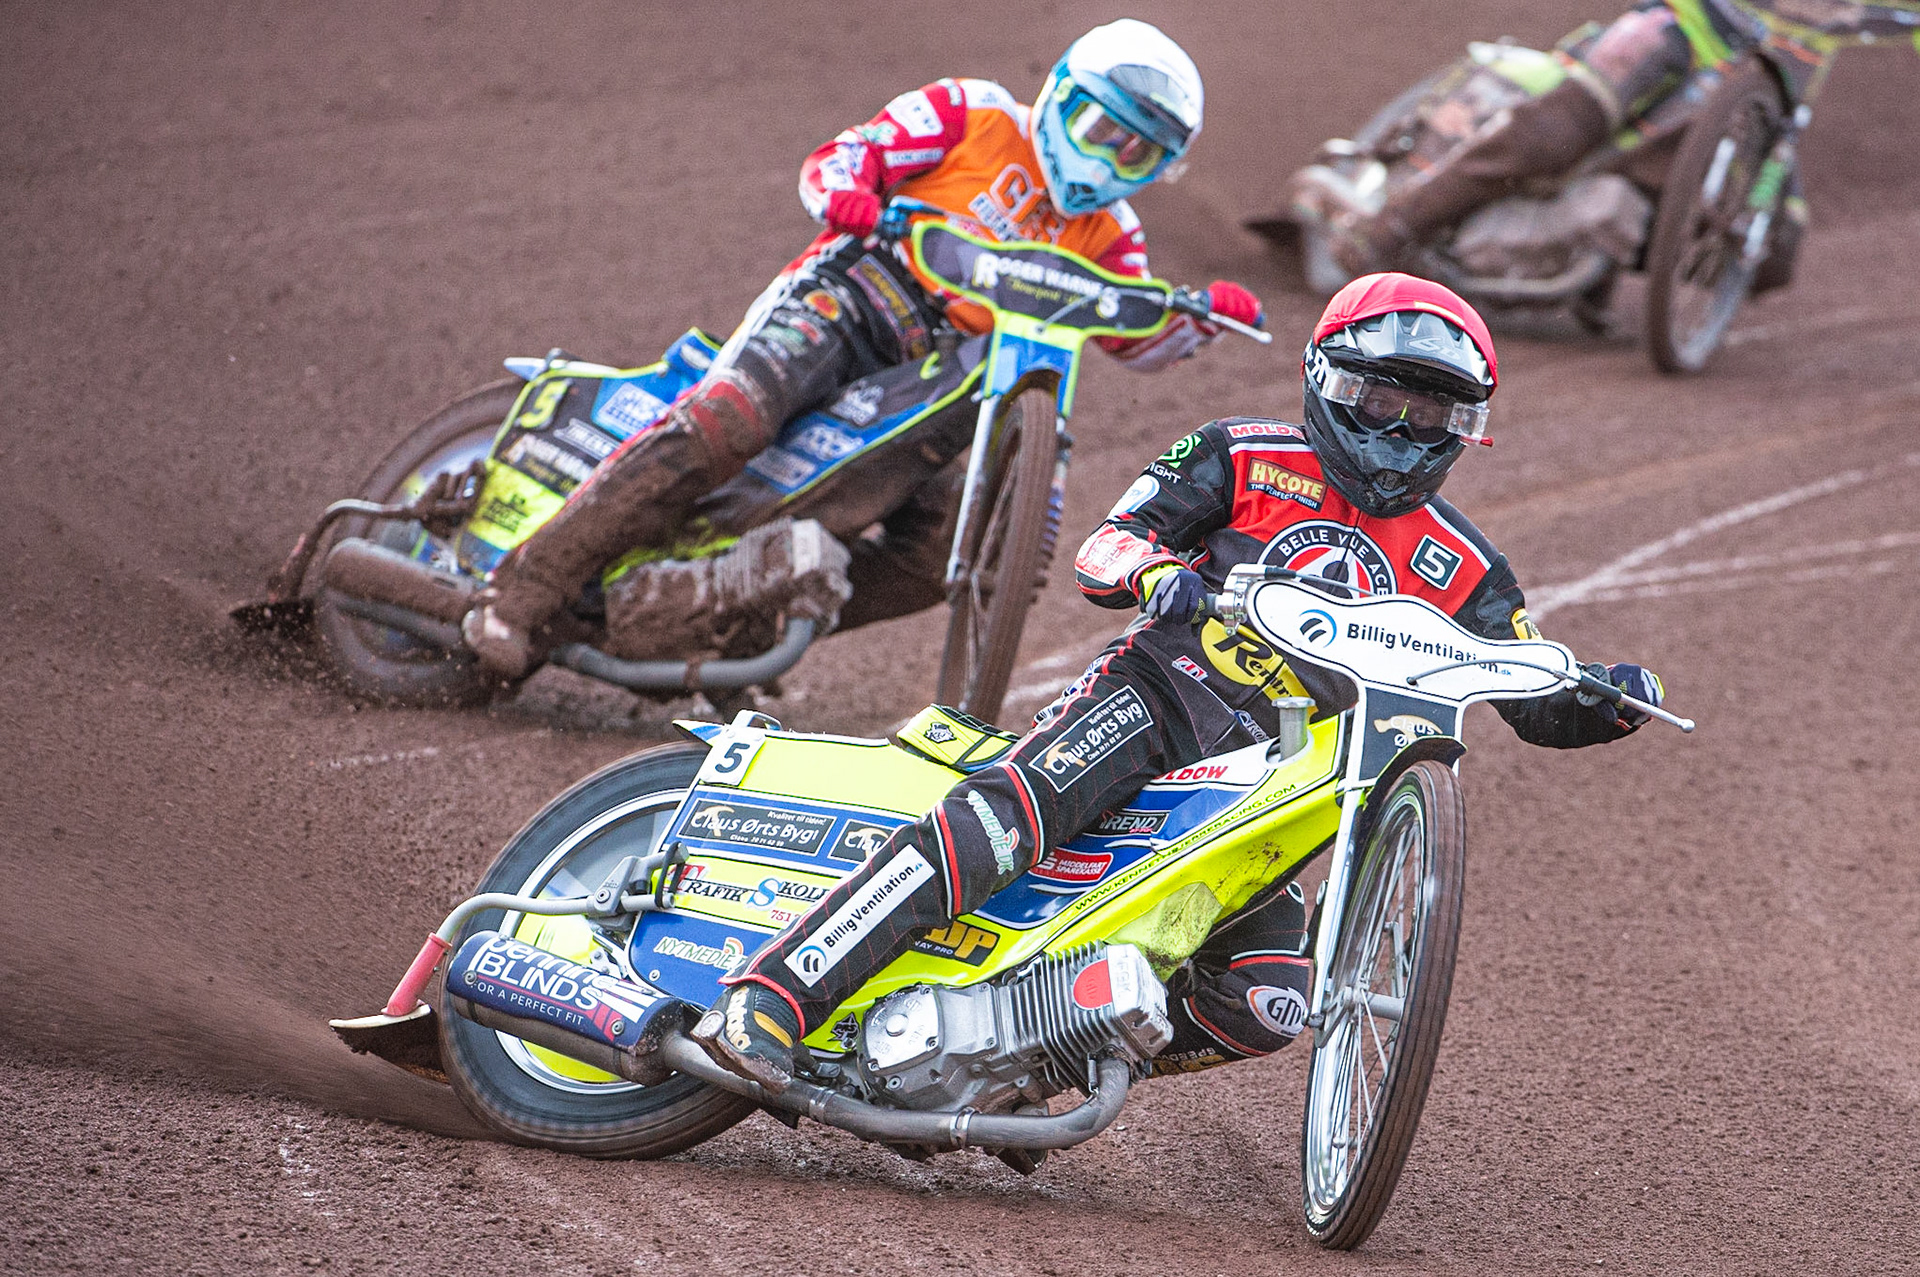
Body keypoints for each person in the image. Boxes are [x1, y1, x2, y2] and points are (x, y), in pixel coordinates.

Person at [692, 271, 1667, 1091]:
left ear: (1467, 428)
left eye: (1433, 415)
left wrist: (1606, 697)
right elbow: (1109, 543)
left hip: (1276, 781)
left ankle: (1026, 1065)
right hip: (1156, 698)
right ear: (1329, 380)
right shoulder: (1238, 453)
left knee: (1267, 1000)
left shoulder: (1470, 566)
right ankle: (772, 995)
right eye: (1384, 403)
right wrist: (1156, 574)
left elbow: (1530, 685)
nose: (1403, 432)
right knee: (1001, 822)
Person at [461, 18, 1265, 677]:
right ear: (1059, 92)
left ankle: (736, 621)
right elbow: (845, 156)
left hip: (946, 380)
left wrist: (1197, 318)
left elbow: (1132, 333)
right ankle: (519, 590)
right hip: (852, 296)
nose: (1107, 160)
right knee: (731, 418)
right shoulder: (973, 112)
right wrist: (846, 193)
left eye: (1137, 154)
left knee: (941, 552)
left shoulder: (1115, 236)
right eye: (1100, 130)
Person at [1296, 0, 1920, 276]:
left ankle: (1594, 271)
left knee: (1776, 252)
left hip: (1760, 105)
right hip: (1681, 31)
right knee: (1558, 131)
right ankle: (1389, 229)